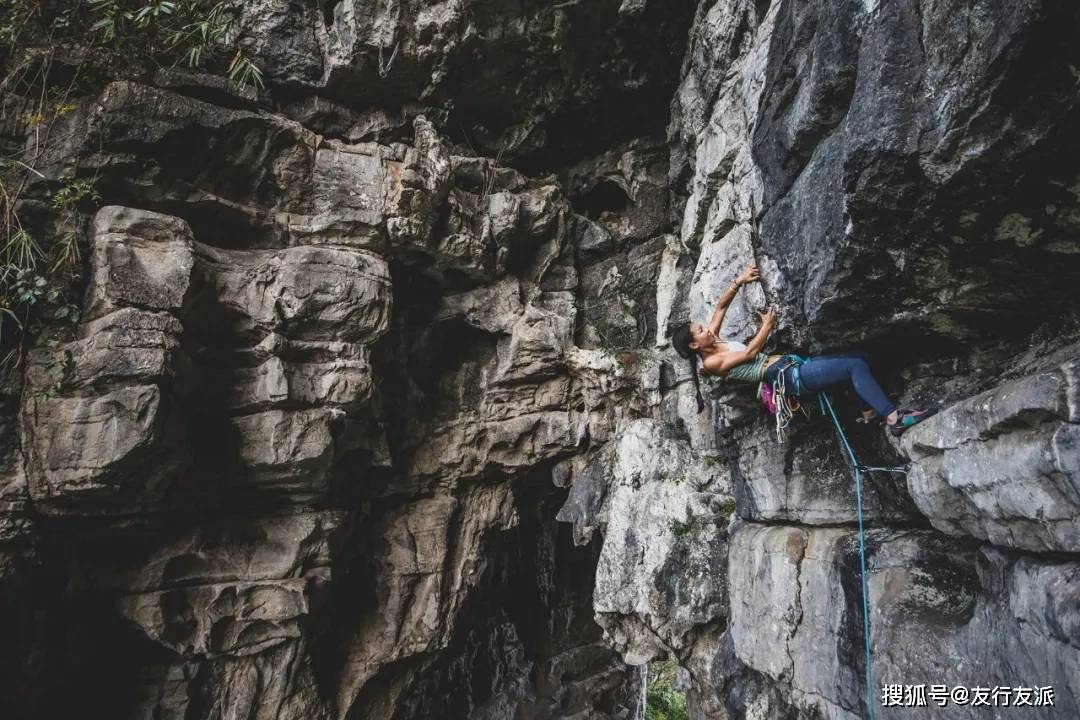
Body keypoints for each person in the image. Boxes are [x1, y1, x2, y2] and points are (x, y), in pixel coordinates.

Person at [670, 262, 933, 437]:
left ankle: (869, 412)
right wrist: (767, 326)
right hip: (789, 380)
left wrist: (739, 281)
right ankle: (894, 419)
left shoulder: (713, 340)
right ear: (694, 345)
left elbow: (720, 308)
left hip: (791, 367)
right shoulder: (712, 364)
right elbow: (750, 354)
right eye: (700, 331)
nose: (706, 329)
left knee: (859, 356)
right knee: (855, 366)